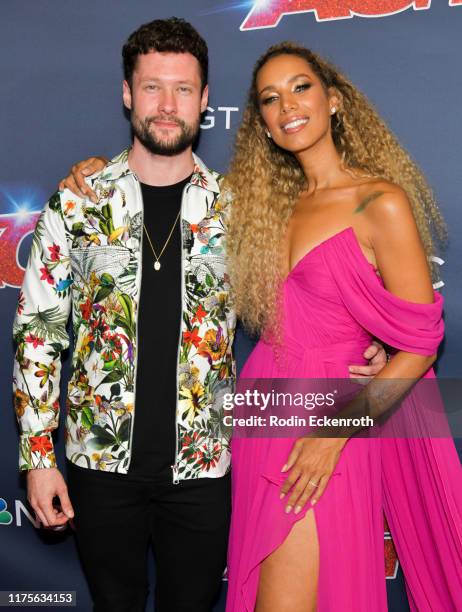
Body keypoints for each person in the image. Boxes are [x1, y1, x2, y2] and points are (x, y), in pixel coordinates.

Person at [38, 23, 387, 612]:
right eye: (152, 88)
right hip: (97, 463)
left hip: (207, 463)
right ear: (127, 94)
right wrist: (39, 460)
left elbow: (316, 289)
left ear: (205, 101)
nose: (167, 106)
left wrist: (373, 339)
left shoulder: (243, 212)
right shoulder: (79, 200)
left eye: (183, 90)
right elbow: (39, 333)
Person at [222, 42, 462, 611]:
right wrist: (87, 174)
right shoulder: (266, 206)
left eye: (301, 87)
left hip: (332, 418)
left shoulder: (380, 202)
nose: (288, 106)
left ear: (333, 101)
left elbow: (423, 344)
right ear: (263, 125)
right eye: (270, 99)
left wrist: (334, 434)